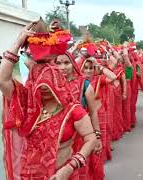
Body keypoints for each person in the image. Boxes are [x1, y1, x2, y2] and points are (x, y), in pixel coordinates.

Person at [0, 22, 97, 179]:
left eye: (49, 83)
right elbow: (1, 80)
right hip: (29, 175)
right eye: (39, 83)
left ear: (58, 80)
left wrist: (70, 168)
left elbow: (91, 139)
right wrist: (18, 42)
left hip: (62, 175)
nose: (44, 88)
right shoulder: (28, 104)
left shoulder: (72, 109)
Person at [55, 52, 104, 180]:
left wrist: (97, 137)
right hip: (58, 140)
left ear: (73, 64)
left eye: (66, 63)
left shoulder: (85, 85)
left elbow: (93, 112)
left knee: (79, 171)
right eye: (58, 63)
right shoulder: (50, 85)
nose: (63, 67)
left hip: (81, 137)